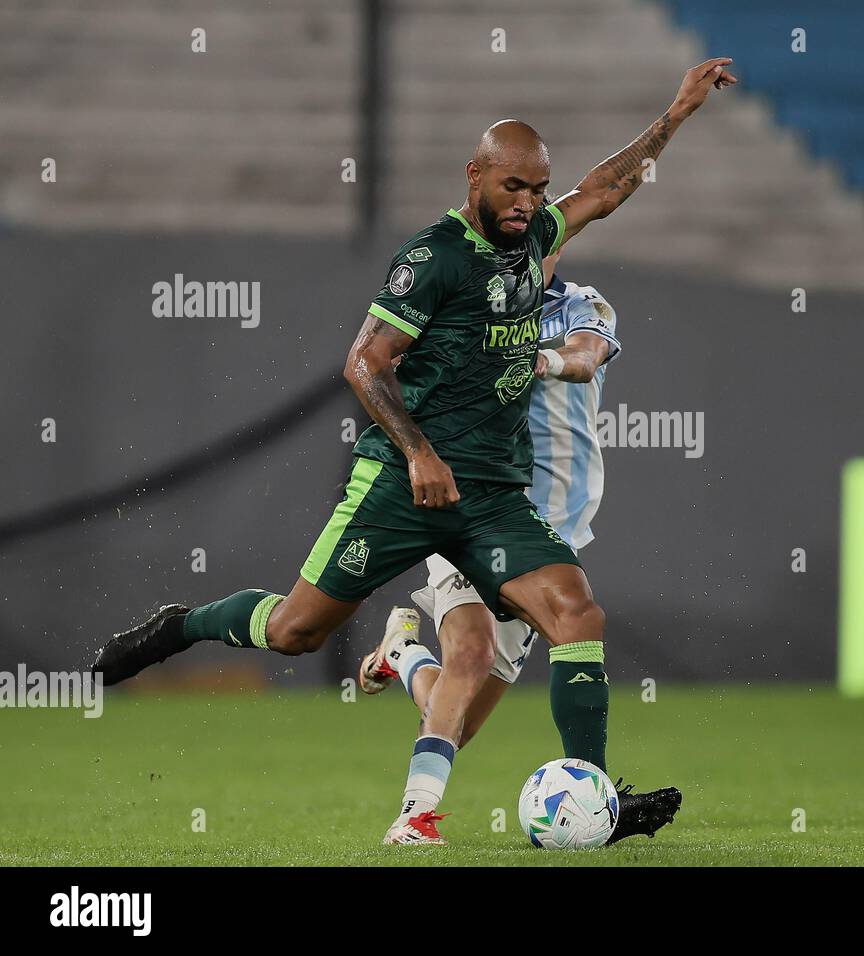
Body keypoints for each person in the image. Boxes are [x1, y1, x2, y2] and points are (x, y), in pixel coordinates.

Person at [92, 58, 738, 846]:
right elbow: (365, 362)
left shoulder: (535, 240)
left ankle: (594, 801)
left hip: (494, 497)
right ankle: (180, 626)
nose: (528, 204)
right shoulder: (433, 257)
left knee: (577, 614)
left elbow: (607, 186)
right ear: (476, 176)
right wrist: (421, 453)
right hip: (404, 485)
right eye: (514, 188)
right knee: (297, 631)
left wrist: (678, 111)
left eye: (538, 190)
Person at [361, 246, 676, 844]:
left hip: (547, 530)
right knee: (472, 655)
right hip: (474, 507)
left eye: (539, 234)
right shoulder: (466, 308)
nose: (523, 248)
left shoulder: (582, 304)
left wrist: (535, 360)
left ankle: (402, 654)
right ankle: (416, 816)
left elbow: (585, 359)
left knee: (461, 723)